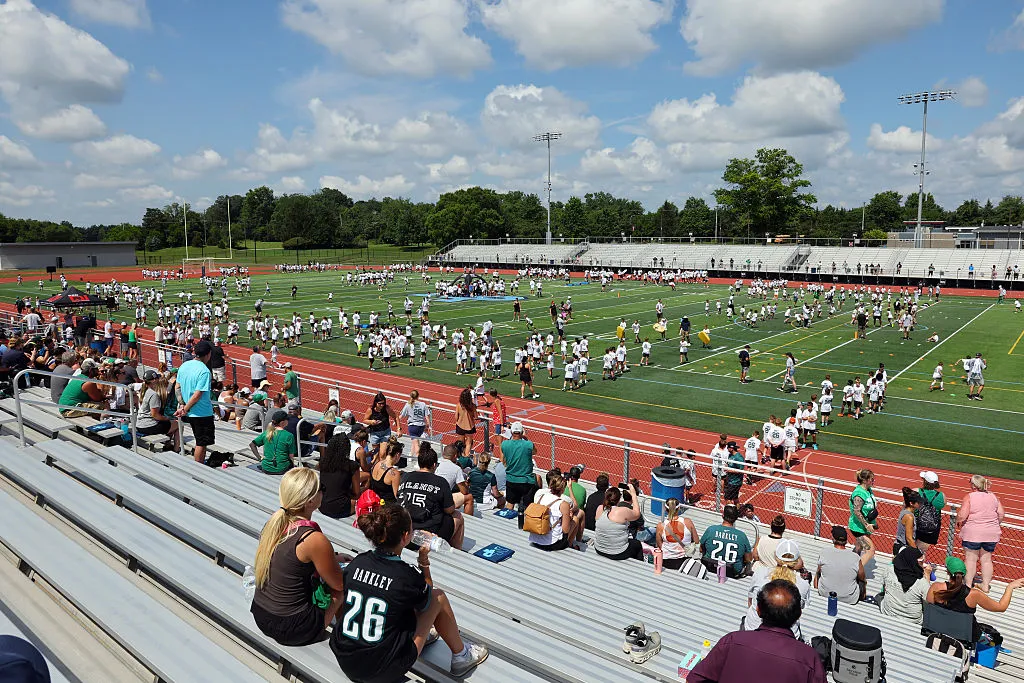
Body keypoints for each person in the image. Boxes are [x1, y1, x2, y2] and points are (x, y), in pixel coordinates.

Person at [331, 504, 488, 680]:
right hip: (381, 671)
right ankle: (462, 655)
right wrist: (424, 562)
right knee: (438, 596)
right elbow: (427, 600)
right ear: (406, 536)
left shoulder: (358, 562)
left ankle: (422, 635)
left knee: (395, 597)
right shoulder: (406, 576)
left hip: (346, 659)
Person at [250, 468, 349, 646]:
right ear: (310, 501)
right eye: (321, 488)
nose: (323, 491)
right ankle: (346, 637)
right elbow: (339, 584)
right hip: (290, 627)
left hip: (261, 614)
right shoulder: (312, 539)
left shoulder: (273, 524)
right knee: (341, 589)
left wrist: (333, 557)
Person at [689, 580, 826, 683]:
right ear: (798, 615)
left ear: (758, 610)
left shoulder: (732, 641)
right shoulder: (809, 658)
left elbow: (694, 679)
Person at [927, 556, 1024, 644]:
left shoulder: (936, 587)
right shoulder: (974, 594)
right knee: (994, 637)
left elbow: (929, 608)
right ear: (964, 574)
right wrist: (1010, 587)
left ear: (947, 572)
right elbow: (1001, 607)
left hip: (937, 630)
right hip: (964, 638)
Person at [397, 444, 464, 550]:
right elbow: (449, 510)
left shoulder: (406, 477)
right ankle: (456, 552)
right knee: (457, 515)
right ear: (433, 465)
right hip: (428, 534)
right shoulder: (440, 482)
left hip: (404, 530)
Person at [744, 540, 810, 637]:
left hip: (753, 628)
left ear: (775, 557)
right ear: (797, 561)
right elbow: (799, 611)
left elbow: (750, 601)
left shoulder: (760, 573)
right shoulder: (803, 584)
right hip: (787, 636)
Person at [958, 474, 1004, 593]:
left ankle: (968, 584)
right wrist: (993, 524)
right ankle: (985, 585)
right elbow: (1001, 514)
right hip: (991, 533)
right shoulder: (993, 496)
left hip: (973, 532)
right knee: (986, 559)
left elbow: (963, 514)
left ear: (974, 485)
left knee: (970, 559)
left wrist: (959, 520)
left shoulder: (969, 497)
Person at [175, 340, 216, 464]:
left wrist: (182, 405)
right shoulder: (204, 371)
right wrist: (185, 409)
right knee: (201, 443)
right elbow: (197, 395)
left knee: (200, 442)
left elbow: (177, 387)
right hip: (201, 413)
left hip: (189, 411)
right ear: (208, 354)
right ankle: (198, 469)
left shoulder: (184, 365)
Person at [815, 525, 873, 604]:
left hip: (825, 594)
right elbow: (862, 579)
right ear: (846, 541)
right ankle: (862, 598)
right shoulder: (855, 558)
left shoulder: (824, 552)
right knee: (861, 579)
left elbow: (818, 572)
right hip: (849, 598)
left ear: (833, 539)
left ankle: (815, 590)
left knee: (818, 572)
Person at [528, 470, 584, 551]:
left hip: (534, 539)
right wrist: (569, 518)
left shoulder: (541, 496)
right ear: (563, 489)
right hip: (550, 544)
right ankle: (569, 545)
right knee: (575, 519)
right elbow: (565, 530)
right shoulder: (563, 504)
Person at [877, 546, 930, 622]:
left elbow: (885, 588)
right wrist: (927, 575)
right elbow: (928, 601)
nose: (923, 564)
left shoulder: (889, 569)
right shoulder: (922, 583)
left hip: (888, 612)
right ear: (913, 562)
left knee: (879, 596)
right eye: (921, 561)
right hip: (913, 620)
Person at [700, 505, 752, 579]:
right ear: (736, 518)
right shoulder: (742, 536)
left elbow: (701, 549)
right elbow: (749, 559)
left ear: (723, 515)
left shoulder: (711, 530)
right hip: (732, 572)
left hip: (710, 567)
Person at [594, 483, 643, 561]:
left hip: (599, 549)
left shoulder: (600, 508)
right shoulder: (622, 511)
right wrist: (633, 495)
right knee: (637, 544)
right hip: (617, 553)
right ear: (619, 499)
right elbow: (637, 514)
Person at [317, 433, 361, 519]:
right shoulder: (352, 465)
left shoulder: (322, 463)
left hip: (322, 505)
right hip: (341, 508)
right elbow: (356, 493)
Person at [135, 370, 180, 451]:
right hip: (148, 426)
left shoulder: (144, 391)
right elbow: (154, 415)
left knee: (170, 424)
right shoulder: (154, 394)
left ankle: (168, 445)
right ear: (154, 380)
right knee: (178, 424)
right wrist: (166, 418)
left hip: (139, 424)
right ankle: (176, 449)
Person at [500, 422, 540, 510]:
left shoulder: (504, 444)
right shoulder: (528, 444)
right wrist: (525, 439)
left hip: (511, 479)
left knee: (510, 504)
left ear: (511, 432)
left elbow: (504, 457)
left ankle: (506, 521)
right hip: (526, 481)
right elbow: (534, 452)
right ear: (522, 432)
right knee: (528, 506)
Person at [655, 498, 699, 571]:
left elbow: (660, 545)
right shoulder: (688, 522)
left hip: (666, 561)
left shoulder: (660, 526)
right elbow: (696, 541)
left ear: (665, 509)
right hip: (685, 561)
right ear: (678, 508)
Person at [249, 410, 297, 475]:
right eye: (287, 419)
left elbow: (252, 444)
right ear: (283, 422)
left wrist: (260, 458)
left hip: (266, 468)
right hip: (282, 469)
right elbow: (291, 456)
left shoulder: (267, 433)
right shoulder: (289, 435)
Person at [437, 440, 474, 515]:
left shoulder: (436, 464)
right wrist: (467, 484)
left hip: (432, 497)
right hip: (442, 502)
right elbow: (464, 491)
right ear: (455, 456)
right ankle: (469, 521)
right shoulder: (456, 468)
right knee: (469, 497)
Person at [848, 468, 878, 551]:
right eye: (872, 479)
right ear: (865, 480)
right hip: (858, 527)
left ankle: (854, 562)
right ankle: (856, 563)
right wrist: (866, 525)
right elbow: (856, 511)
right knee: (868, 548)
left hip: (865, 527)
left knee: (859, 547)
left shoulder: (868, 490)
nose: (873, 481)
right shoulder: (859, 493)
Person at [368, 437, 404, 504]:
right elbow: (397, 496)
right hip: (387, 507)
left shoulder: (377, 464)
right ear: (397, 455)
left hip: (375, 503)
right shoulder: (394, 473)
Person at [364, 392, 399, 460]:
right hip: (374, 433)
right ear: (375, 403)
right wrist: (371, 422)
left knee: (382, 454)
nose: (382, 405)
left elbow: (396, 417)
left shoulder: (386, 408)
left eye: (383, 403)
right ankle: (376, 468)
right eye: (380, 403)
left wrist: (398, 429)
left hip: (385, 433)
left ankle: (382, 468)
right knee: (376, 454)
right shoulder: (370, 410)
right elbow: (365, 420)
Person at [916, 470, 945, 554]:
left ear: (925, 481)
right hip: (932, 527)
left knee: (911, 548)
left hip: (916, 524)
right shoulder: (941, 496)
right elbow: (942, 505)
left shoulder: (916, 492)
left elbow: (906, 504)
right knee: (921, 551)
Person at [399, 390, 431, 456]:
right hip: (421, 426)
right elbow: (427, 416)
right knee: (415, 441)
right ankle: (411, 454)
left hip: (413, 426)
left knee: (416, 444)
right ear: (418, 396)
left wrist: (396, 421)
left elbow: (401, 416)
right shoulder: (423, 404)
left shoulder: (408, 404)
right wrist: (428, 426)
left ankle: (418, 459)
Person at [893, 487, 921, 556]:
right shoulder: (909, 517)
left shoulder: (905, 511)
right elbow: (909, 538)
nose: (920, 503)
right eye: (918, 502)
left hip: (899, 547)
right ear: (911, 503)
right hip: (903, 549)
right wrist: (918, 554)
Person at [453, 387, 478, 458]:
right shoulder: (472, 406)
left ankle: (461, 456)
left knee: (461, 443)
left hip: (460, 426)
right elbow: (476, 417)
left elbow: (456, 417)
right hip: (470, 426)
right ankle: (466, 456)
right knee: (469, 443)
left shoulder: (458, 405)